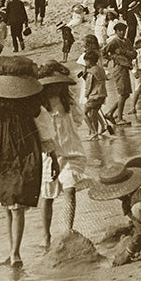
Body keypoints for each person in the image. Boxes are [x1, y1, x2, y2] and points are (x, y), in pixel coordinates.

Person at [0, 58, 57, 268]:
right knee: (12, 203)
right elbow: (45, 132)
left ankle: (15, 253)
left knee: (11, 203)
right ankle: (13, 252)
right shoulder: (32, 101)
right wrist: (53, 157)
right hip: (25, 151)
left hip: (2, 152)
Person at [37, 62, 86, 251]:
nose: (58, 86)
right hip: (49, 153)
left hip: (70, 151)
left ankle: (67, 230)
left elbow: (78, 118)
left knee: (70, 188)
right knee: (47, 196)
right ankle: (46, 234)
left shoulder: (67, 99)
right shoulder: (40, 104)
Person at [102, 21, 136, 127]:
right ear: (116, 32)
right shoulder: (114, 41)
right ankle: (119, 117)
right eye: (119, 31)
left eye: (123, 31)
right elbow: (103, 52)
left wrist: (123, 52)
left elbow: (134, 54)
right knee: (123, 93)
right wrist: (113, 58)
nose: (122, 32)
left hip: (126, 67)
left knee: (125, 94)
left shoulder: (127, 41)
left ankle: (110, 113)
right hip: (119, 68)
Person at [79, 47, 111, 139]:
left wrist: (86, 95)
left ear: (89, 61)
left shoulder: (91, 72)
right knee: (94, 113)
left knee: (83, 113)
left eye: (86, 61)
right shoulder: (100, 69)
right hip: (102, 94)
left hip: (94, 96)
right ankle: (96, 133)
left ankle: (93, 131)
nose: (85, 63)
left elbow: (88, 86)